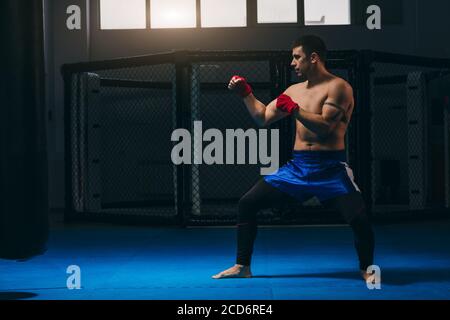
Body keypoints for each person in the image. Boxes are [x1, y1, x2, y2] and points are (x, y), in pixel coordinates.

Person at [212, 35, 375, 282]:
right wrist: (246, 94)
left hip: (331, 169)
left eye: (297, 57)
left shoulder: (338, 87)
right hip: (297, 168)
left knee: (360, 219)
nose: (292, 63)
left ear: (313, 58)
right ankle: (242, 266)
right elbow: (262, 117)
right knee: (247, 203)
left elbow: (325, 128)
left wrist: (295, 109)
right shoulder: (293, 90)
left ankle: (367, 269)